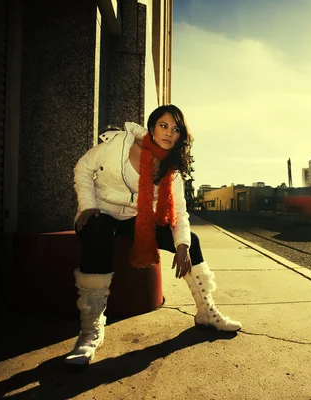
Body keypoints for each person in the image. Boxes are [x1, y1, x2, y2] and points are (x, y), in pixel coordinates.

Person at [64, 105, 242, 365]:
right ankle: (91, 331)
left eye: (176, 129)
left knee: (193, 241)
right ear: (151, 126)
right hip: (104, 211)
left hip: (140, 218)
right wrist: (88, 205)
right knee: (97, 237)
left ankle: (206, 311)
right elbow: (83, 168)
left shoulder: (172, 168)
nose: (169, 133)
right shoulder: (119, 145)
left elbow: (179, 212)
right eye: (164, 125)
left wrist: (182, 245)